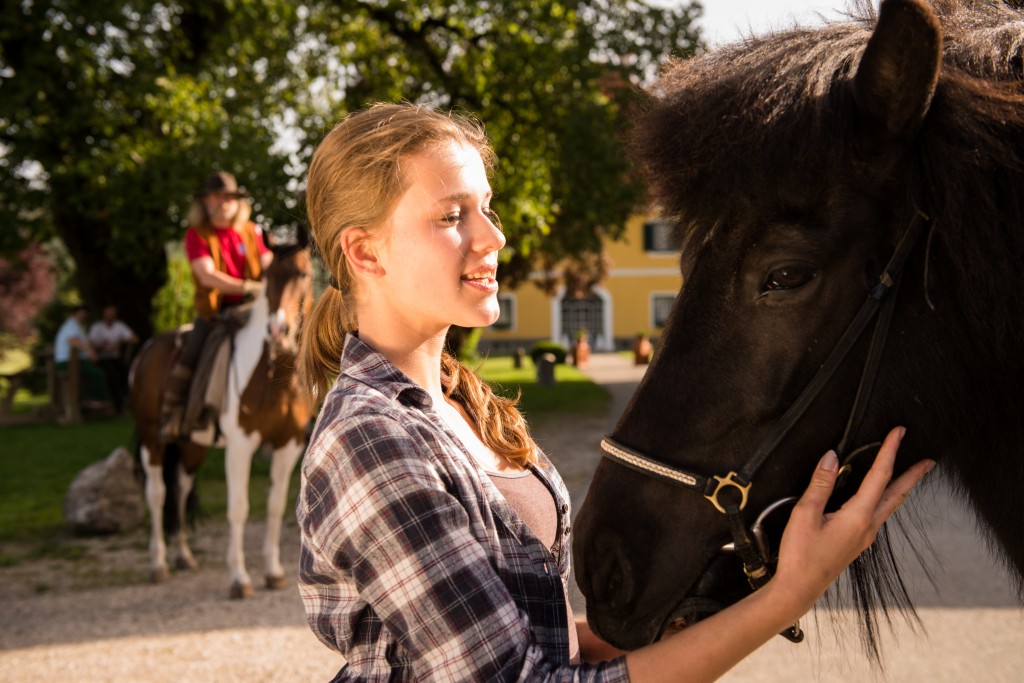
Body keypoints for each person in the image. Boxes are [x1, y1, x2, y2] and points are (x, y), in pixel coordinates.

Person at [294, 103, 935, 681]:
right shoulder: (369, 438)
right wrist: (787, 597)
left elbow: (530, 644)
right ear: (365, 252)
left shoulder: (464, 405)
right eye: (451, 215)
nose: (493, 237)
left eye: (486, 208)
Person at [159, 171, 274, 441]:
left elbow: (268, 261)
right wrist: (246, 286)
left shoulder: (253, 231)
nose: (223, 202)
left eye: (228, 197)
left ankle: (300, 412)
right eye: (216, 197)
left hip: (254, 308)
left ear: (237, 202)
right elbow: (206, 275)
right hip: (216, 312)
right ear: (205, 202)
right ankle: (173, 413)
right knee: (193, 350)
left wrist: (272, 278)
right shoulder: (197, 235)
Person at [54, 305, 110, 411]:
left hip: (76, 361)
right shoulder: (71, 326)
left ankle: (92, 399)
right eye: (81, 315)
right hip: (69, 362)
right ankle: (93, 399)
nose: (83, 317)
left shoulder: (77, 327)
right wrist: (89, 351)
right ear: (74, 314)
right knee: (97, 373)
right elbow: (73, 340)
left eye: (85, 315)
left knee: (98, 371)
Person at [88, 305, 138, 413]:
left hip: (115, 357)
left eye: (112, 313)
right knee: (112, 375)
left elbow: (134, 339)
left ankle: (128, 400)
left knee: (128, 372)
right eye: (107, 313)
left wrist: (120, 342)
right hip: (102, 358)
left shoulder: (119, 326)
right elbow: (90, 343)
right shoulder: (97, 327)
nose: (109, 316)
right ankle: (117, 404)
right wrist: (100, 345)